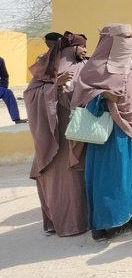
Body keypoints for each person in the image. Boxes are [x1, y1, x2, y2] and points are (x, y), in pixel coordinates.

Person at [70, 24, 132, 241]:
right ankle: (100, 223)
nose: (129, 41)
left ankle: (129, 214)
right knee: (107, 177)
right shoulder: (93, 67)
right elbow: (79, 96)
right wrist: (103, 95)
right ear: (109, 40)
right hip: (106, 131)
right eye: (123, 37)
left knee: (131, 174)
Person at [24, 32, 89, 236]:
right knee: (56, 179)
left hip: (77, 134)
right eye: (82, 46)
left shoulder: (85, 67)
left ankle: (79, 222)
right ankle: (58, 222)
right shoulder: (47, 68)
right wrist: (55, 87)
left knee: (76, 179)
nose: (85, 50)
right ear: (71, 49)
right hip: (54, 137)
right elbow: (30, 95)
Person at [0, 55, 23, 123]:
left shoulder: (0, 60)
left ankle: (16, 119)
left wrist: (3, 87)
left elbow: (4, 76)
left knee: (8, 93)